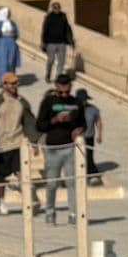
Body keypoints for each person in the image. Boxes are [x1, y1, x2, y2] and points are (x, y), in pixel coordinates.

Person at [33, 72, 88, 225]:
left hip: (70, 147)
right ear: (56, 87)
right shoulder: (48, 102)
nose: (64, 94)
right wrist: (55, 120)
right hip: (53, 148)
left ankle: (73, 213)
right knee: (52, 183)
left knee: (72, 181)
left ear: (71, 87)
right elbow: (39, 125)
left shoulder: (77, 102)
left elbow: (83, 123)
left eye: (67, 91)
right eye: (61, 91)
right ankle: (50, 211)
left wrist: (80, 129)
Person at [0, 71, 35, 210]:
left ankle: (28, 200)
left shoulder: (22, 102)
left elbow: (29, 122)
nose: (15, 86)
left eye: (16, 83)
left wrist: (35, 140)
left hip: (18, 142)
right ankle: (1, 201)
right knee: (1, 175)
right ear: (4, 84)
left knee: (21, 171)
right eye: (12, 83)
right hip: (1, 144)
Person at [41, 0, 73, 83]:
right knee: (51, 60)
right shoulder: (49, 17)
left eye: (58, 8)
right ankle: (48, 74)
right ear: (52, 8)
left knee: (61, 61)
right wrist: (43, 42)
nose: (57, 9)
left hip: (61, 42)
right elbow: (45, 30)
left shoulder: (63, 16)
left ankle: (58, 78)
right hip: (51, 43)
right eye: (55, 8)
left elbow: (67, 28)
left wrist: (70, 41)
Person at [76, 84, 104, 174]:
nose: (83, 102)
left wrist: (99, 135)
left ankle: (91, 173)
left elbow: (98, 122)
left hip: (89, 137)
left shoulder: (93, 109)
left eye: (84, 100)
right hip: (77, 137)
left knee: (89, 156)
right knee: (77, 157)